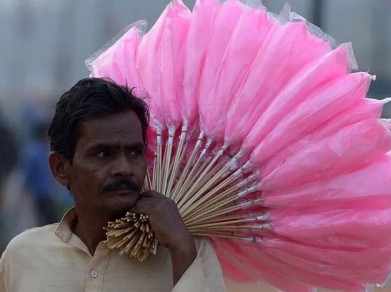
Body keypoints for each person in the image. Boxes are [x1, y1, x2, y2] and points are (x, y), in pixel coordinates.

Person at [0, 78, 226, 292]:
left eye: (135, 152)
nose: (125, 168)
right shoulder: (22, 256)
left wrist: (182, 251)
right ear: (60, 167)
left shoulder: (188, 252)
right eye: (103, 154)